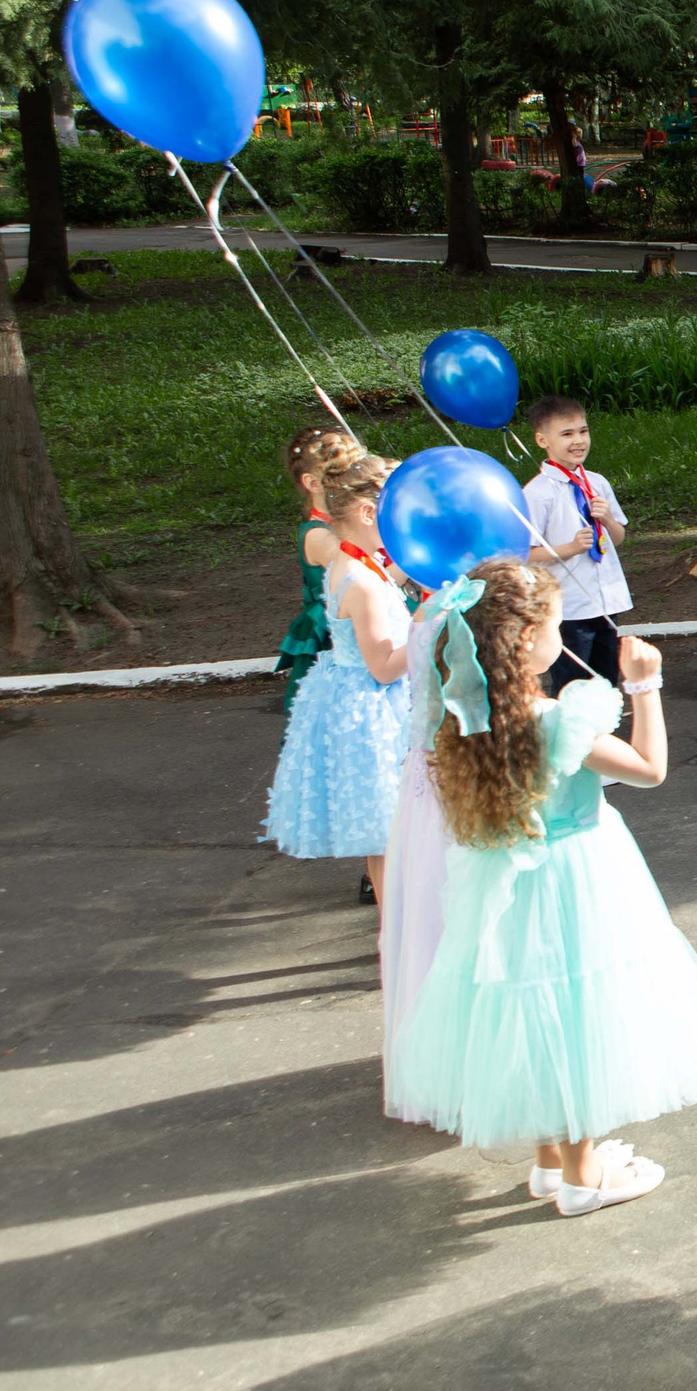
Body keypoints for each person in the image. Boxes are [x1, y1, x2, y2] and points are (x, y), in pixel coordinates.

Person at [391, 562, 697, 1214]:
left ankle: (552, 1162)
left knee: (536, 1012)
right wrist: (646, 685)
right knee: (581, 1012)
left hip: (508, 886)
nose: (560, 633)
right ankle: (583, 1178)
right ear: (525, 640)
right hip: (577, 880)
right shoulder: (555, 719)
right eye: (552, 623)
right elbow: (649, 769)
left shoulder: (466, 723)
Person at [263, 454, 412, 910]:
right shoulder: (361, 583)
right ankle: (396, 933)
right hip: (379, 710)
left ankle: (400, 929)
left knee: (392, 835)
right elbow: (384, 666)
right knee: (392, 835)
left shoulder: (353, 563)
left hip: (361, 700)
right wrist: (431, 628)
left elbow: (390, 581)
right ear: (369, 514)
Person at [380, 590, 455, 1122]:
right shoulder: (469, 612)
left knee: (427, 913)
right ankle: (460, 1064)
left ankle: (434, 1062)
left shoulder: (430, 609)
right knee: (455, 916)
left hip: (423, 780)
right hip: (457, 780)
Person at [523, 395, 632, 690]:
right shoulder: (537, 493)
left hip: (606, 601)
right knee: (572, 687)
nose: (578, 441)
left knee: (606, 683)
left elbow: (619, 537)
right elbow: (523, 554)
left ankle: (603, 733)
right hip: (568, 607)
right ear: (542, 439)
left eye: (583, 431)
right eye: (567, 434)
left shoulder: (597, 482)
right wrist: (568, 549)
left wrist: (608, 519)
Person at [273, 425, 364, 714]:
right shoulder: (319, 536)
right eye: (339, 476)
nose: (353, 482)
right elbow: (369, 570)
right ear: (313, 483)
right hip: (336, 633)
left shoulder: (343, 526)